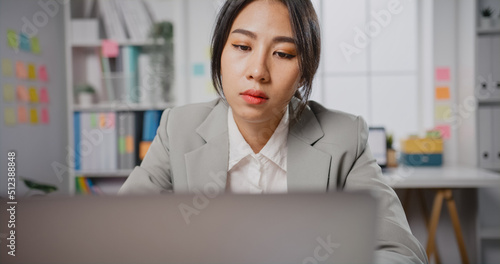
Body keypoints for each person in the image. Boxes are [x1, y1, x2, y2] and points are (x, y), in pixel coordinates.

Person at [119, 0, 427, 263]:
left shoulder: (344, 137)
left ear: (304, 70)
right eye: (242, 46)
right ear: (220, 54)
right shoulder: (179, 129)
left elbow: (398, 250)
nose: (258, 71)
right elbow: (122, 233)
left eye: (283, 54)